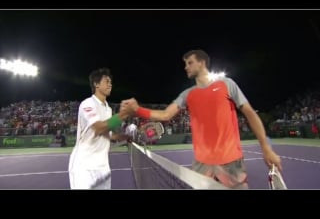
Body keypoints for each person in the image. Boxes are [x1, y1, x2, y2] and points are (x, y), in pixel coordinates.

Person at [121, 49, 282, 189]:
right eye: (185, 64)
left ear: (202, 63)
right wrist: (137, 109)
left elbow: (250, 113)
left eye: (189, 63)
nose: (186, 67)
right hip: (202, 164)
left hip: (231, 161)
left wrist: (266, 148)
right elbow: (165, 115)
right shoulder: (187, 94)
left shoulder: (227, 84)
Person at [68, 67, 134, 189]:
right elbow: (99, 128)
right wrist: (123, 114)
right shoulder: (87, 104)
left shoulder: (108, 109)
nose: (110, 84)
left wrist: (121, 137)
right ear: (96, 84)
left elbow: (105, 134)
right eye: (106, 81)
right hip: (84, 167)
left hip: (103, 168)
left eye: (110, 82)